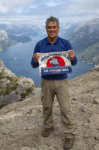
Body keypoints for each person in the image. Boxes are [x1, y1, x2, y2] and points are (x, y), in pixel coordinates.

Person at [31, 16, 77, 150]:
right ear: (46, 29)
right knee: (47, 106)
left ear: (58, 28)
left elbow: (73, 62)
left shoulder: (65, 43)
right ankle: (48, 126)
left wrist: (73, 58)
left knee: (65, 108)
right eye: (49, 27)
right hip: (46, 81)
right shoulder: (39, 44)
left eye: (54, 27)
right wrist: (34, 59)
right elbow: (33, 65)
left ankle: (69, 135)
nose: (52, 30)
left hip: (62, 80)